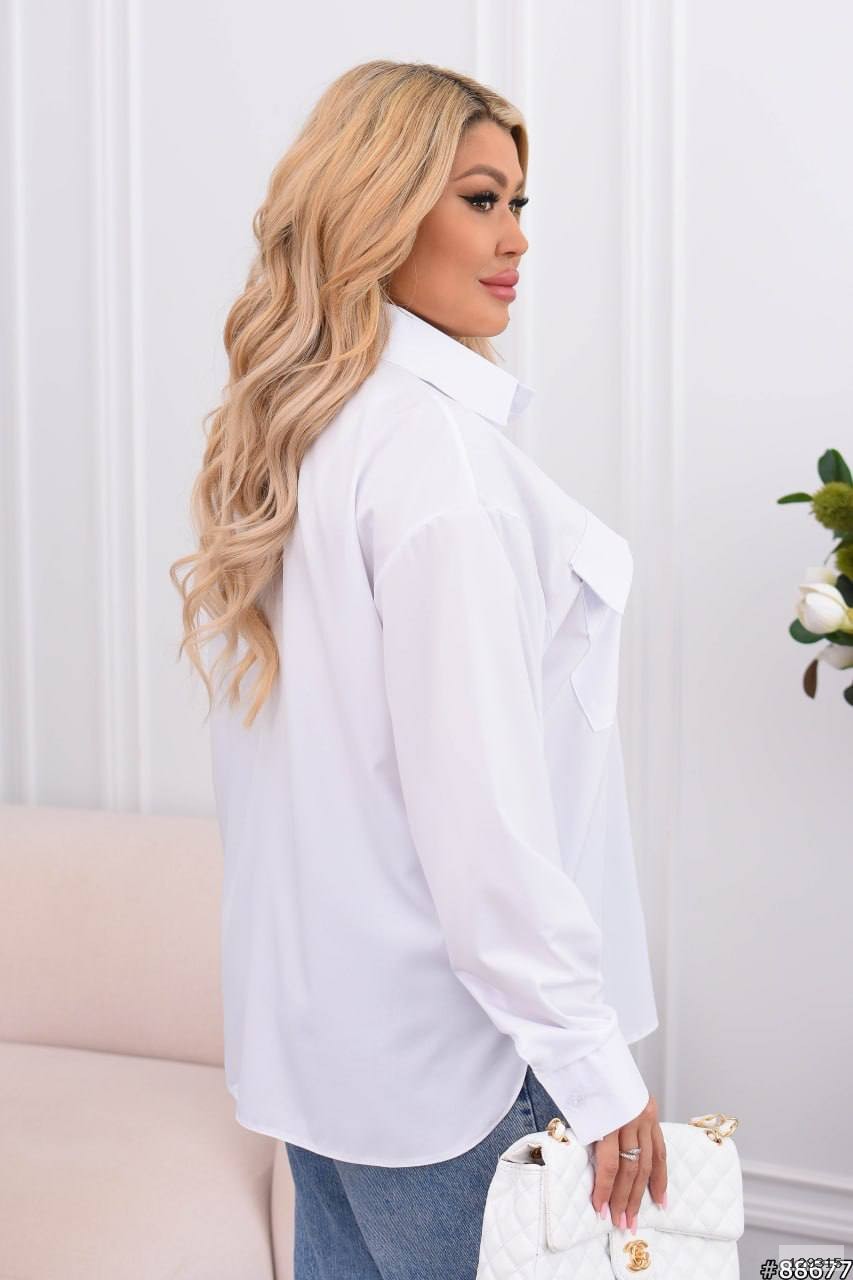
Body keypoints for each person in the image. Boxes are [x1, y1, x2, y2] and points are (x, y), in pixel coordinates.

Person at [171, 58, 667, 1280]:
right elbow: (483, 823)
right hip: (464, 1074)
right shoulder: (435, 465)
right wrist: (594, 1065)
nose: (515, 238)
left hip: (321, 1070)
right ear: (382, 207)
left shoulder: (302, 436)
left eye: (518, 203)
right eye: (481, 199)